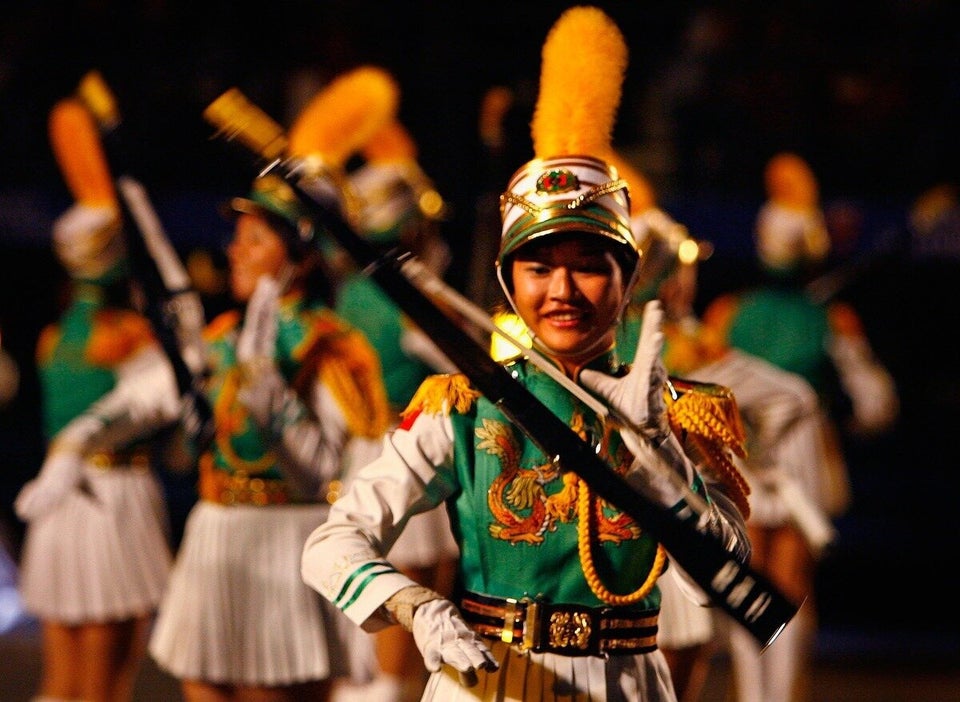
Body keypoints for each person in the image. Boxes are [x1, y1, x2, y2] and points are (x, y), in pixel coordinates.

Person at [302, 7, 752, 701]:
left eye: (589, 265)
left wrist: (661, 458)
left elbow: (731, 581)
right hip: (486, 681)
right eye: (538, 268)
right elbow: (333, 543)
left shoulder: (684, 414)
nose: (563, 290)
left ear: (630, 278)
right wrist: (414, 607)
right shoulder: (463, 407)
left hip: (627, 684)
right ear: (510, 286)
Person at [29, 66, 399, 701]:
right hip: (216, 531)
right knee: (203, 684)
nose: (235, 250)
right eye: (239, 236)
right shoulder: (224, 336)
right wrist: (75, 445)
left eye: (253, 239)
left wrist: (267, 389)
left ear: (299, 255)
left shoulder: (331, 345)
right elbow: (148, 398)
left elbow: (323, 470)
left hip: (288, 538)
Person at [699, 151, 899, 702]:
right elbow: (876, 403)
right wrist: (846, 419)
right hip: (788, 450)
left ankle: (757, 693)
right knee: (786, 579)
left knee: (747, 575)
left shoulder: (730, 313)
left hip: (740, 447)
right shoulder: (828, 318)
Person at [13, 97, 174, 702]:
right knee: (106, 679)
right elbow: (158, 400)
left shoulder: (57, 334)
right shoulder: (124, 334)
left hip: (60, 503)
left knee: (64, 676)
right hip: (112, 498)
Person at [330, 117, 461, 702]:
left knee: (405, 573)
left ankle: (380, 683)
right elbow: (459, 358)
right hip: (400, 443)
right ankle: (386, 686)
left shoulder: (349, 289)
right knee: (413, 577)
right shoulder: (408, 292)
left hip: (364, 444)